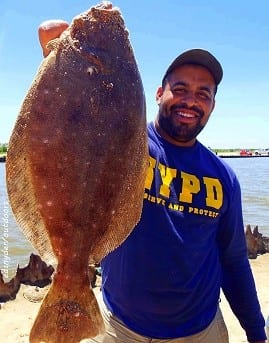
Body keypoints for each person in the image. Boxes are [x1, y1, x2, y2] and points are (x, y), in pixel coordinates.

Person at [39, 20, 267, 343]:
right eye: (181, 89)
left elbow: (233, 261)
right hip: (119, 328)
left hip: (201, 332)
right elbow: (70, 137)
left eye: (203, 94)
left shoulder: (224, 177)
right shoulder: (122, 145)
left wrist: (256, 332)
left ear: (213, 106)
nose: (191, 100)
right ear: (159, 93)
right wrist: (53, 54)